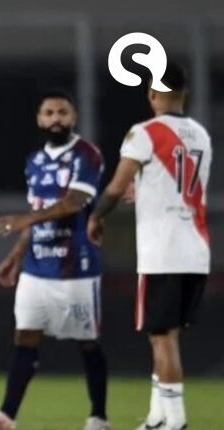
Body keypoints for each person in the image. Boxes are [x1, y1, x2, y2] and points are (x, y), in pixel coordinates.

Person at [0, 91, 108, 430]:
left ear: (73, 117)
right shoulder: (34, 160)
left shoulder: (86, 154)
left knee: (87, 341)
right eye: (49, 112)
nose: (56, 118)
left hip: (76, 266)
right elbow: (37, 210)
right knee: (25, 336)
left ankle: (98, 417)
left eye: (62, 112)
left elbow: (74, 202)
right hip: (36, 265)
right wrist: (17, 254)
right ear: (39, 119)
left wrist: (23, 220)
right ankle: (6, 416)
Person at [88, 63, 210, 430]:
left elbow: (115, 186)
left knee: (162, 338)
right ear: (185, 94)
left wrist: (97, 216)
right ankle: (158, 417)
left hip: (162, 251)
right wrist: (143, 188)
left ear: (152, 94)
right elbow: (182, 186)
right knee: (167, 336)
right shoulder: (201, 135)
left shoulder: (144, 133)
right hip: (196, 249)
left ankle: (176, 420)